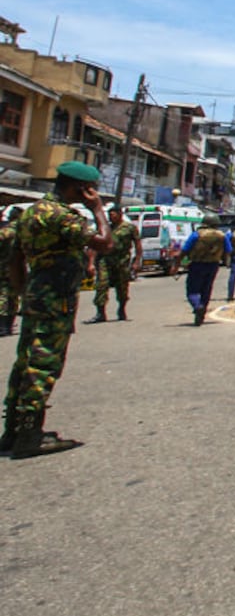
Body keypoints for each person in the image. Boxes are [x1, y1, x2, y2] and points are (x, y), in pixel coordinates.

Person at [2, 161, 112, 459]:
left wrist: (23, 292)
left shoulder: (29, 214)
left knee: (25, 361)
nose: (94, 193)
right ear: (80, 188)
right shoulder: (61, 216)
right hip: (56, 299)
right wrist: (98, 210)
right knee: (44, 364)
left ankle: (12, 431)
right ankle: (29, 436)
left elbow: (14, 258)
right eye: (92, 189)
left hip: (36, 297)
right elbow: (104, 242)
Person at [88, 205, 142, 323]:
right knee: (101, 284)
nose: (110, 217)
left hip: (122, 261)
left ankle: (122, 309)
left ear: (120, 214)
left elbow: (137, 244)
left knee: (122, 286)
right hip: (105, 260)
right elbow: (95, 246)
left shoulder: (130, 228)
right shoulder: (105, 228)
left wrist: (137, 261)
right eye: (109, 215)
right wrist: (91, 263)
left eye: (113, 215)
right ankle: (100, 313)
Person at [179, 213, 230, 326]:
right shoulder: (222, 235)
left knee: (192, 290)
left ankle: (198, 307)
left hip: (197, 264)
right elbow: (228, 250)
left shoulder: (197, 234)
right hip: (213, 265)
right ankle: (202, 311)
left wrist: (176, 263)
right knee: (206, 289)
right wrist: (226, 262)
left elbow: (185, 250)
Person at [0, 206, 19, 337]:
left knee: (3, 296)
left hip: (4, 268)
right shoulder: (24, 230)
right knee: (13, 297)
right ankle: (8, 326)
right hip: (18, 269)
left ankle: (2, 327)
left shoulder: (8, 230)